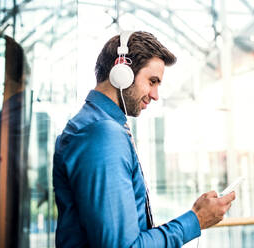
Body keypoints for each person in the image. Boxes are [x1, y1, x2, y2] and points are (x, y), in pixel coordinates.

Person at [53, 31, 236, 247]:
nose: (156, 95)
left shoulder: (96, 126)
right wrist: (195, 220)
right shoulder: (102, 133)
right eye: (152, 81)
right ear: (122, 71)